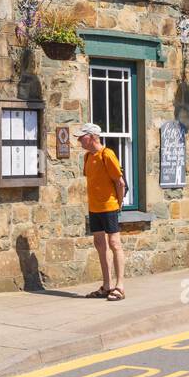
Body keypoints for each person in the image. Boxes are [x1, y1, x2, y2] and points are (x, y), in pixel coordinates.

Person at [78, 123, 127, 300]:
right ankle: (107, 285)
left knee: (114, 243)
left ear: (91, 137)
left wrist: (119, 204)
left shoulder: (108, 154)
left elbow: (120, 183)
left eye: (81, 136)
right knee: (100, 244)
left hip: (109, 206)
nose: (79, 140)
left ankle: (120, 286)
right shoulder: (87, 157)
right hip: (94, 208)